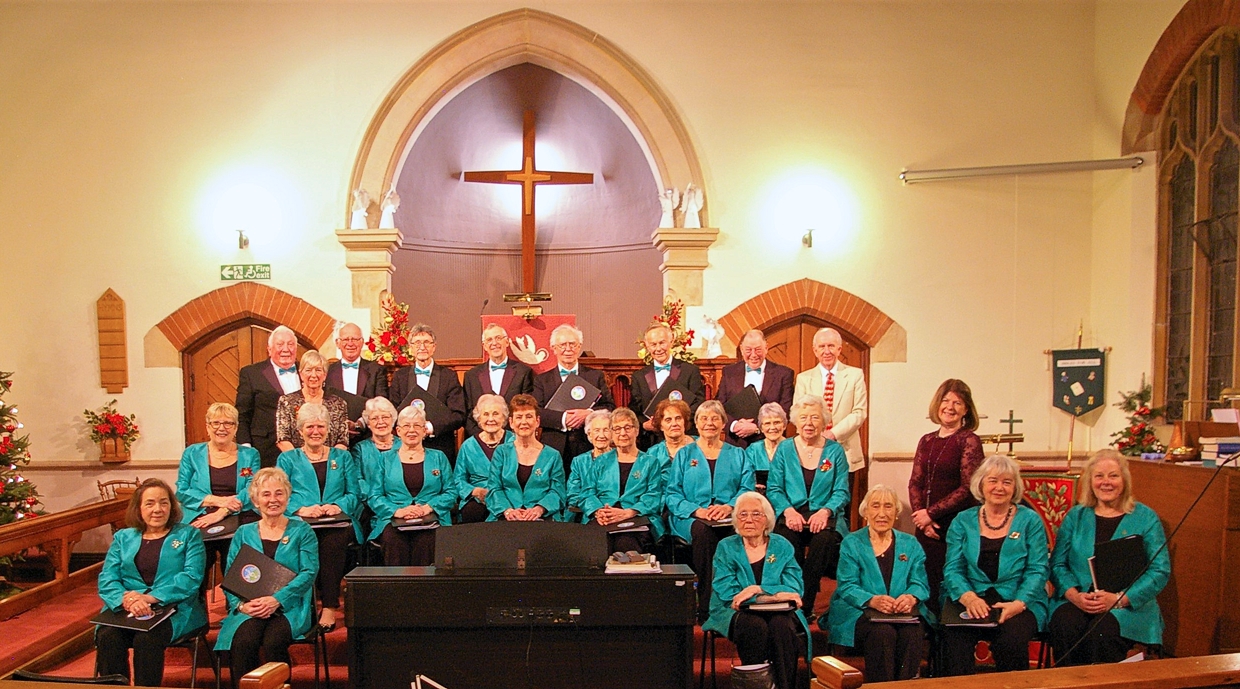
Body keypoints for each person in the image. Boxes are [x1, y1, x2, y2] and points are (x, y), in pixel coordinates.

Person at [1048, 449, 1170, 666]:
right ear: (1090, 481)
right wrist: (1074, 595)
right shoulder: (1075, 516)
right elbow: (1057, 563)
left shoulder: (1146, 518)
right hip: (1078, 599)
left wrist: (1120, 598)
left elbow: (1159, 571)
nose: (1106, 482)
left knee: (1102, 632)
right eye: (1099, 476)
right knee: (1064, 623)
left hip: (1127, 606)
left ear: (1125, 480)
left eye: (1113, 476)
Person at [941, 454, 1049, 675]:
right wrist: (968, 597)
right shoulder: (962, 520)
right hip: (971, 597)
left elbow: (1038, 569)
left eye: (1007, 482)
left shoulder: (1030, 520)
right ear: (981, 484)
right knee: (954, 639)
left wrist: (1019, 603)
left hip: (1018, 600)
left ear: (1015, 487)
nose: (999, 487)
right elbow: (952, 568)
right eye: (993, 480)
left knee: (1010, 640)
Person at [96, 479, 206, 687]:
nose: (157, 509)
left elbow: (191, 577)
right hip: (126, 608)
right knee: (107, 635)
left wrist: (148, 598)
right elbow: (108, 577)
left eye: (164, 503)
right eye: (150, 503)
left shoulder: (188, 534)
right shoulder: (123, 537)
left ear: (172, 507)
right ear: (138, 508)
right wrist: (127, 599)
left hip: (175, 608)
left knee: (146, 638)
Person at [214, 468, 317, 688]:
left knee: (274, 642)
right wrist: (241, 607)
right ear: (255, 500)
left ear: (288, 497)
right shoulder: (243, 532)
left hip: (288, 606)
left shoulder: (302, 530)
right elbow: (231, 576)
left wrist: (276, 600)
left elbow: (308, 572)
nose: (273, 500)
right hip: (249, 606)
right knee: (243, 642)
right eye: (266, 494)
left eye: (279, 493)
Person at [702, 491, 809, 689]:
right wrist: (775, 595)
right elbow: (727, 592)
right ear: (735, 519)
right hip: (731, 611)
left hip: (779, 611)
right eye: (742, 514)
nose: (749, 520)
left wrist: (755, 589)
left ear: (767, 519)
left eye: (756, 514)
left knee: (781, 626)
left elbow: (794, 587)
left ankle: (784, 686)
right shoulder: (726, 547)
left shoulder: (782, 545)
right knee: (755, 626)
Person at [825, 485, 929, 683]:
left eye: (888, 506)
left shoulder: (911, 544)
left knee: (912, 631)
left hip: (902, 613)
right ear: (866, 512)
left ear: (896, 513)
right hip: (859, 610)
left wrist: (910, 597)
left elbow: (920, 582)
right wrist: (872, 600)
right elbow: (847, 585)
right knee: (883, 633)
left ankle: (905, 687)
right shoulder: (851, 542)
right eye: (875, 506)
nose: (882, 513)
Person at [665, 399, 755, 621]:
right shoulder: (685, 454)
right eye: (704, 418)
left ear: (724, 423)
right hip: (692, 518)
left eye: (715, 418)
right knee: (704, 534)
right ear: (696, 424)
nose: (709, 423)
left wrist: (728, 506)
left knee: (739, 533)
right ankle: (707, 606)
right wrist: (698, 511)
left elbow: (747, 488)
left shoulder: (738, 454)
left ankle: (738, 599)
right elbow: (672, 494)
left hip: (729, 515)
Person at [275, 403, 361, 632]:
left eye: (320, 426)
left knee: (332, 543)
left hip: (338, 521)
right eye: (310, 426)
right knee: (304, 542)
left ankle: (330, 606)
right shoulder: (287, 459)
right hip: (301, 521)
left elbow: (354, 493)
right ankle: (302, 607)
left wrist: (337, 505)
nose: (315, 431)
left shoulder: (342, 457)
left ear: (328, 429)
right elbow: (280, 494)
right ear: (300, 430)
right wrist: (301, 510)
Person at [767, 395, 850, 620]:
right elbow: (774, 489)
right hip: (791, 513)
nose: (809, 423)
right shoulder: (784, 449)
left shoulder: (835, 451)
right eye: (803, 418)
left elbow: (842, 491)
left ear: (824, 421)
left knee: (823, 542)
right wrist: (787, 510)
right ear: (795, 421)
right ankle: (792, 599)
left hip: (825, 515)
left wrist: (825, 511)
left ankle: (805, 605)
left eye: (815, 417)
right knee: (784, 540)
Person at [908, 379, 984, 611]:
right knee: (925, 584)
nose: (950, 407)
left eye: (957, 403)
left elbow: (968, 488)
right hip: (925, 526)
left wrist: (931, 514)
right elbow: (915, 482)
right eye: (945, 401)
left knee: (950, 585)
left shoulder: (969, 440)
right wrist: (921, 519)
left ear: (966, 409)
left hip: (954, 525)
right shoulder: (927, 440)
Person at [176, 402, 262, 591]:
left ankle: (235, 611)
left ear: (236, 428)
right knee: (196, 564)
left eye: (228, 423)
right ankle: (196, 615)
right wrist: (218, 500)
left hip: (240, 515)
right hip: (199, 517)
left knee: (237, 559)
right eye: (216, 423)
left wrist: (221, 512)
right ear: (207, 427)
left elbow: (251, 489)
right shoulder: (192, 453)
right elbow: (181, 490)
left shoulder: (250, 454)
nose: (221, 428)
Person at [794, 327, 868, 523]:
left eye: (831, 346)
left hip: (846, 450)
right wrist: (817, 435)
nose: (827, 351)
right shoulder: (804, 378)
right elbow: (798, 413)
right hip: (811, 452)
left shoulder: (854, 375)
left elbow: (859, 412)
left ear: (839, 348)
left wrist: (833, 434)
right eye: (822, 346)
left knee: (842, 510)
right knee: (815, 508)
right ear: (815, 350)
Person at [367, 405, 456, 566]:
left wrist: (428, 508)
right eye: (406, 426)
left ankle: (423, 591)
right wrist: (397, 511)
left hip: (432, 518)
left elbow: (451, 492)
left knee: (427, 541)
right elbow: (375, 496)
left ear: (424, 431)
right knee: (393, 540)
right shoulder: (384, 459)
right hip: (394, 519)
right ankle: (398, 590)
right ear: (398, 431)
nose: (412, 430)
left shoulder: (439, 457)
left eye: (417, 426)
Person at [579, 408, 667, 552]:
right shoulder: (600, 461)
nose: (622, 433)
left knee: (625, 545)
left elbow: (653, 496)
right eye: (617, 429)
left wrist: (628, 512)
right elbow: (587, 492)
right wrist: (598, 511)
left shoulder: (650, 462)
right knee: (595, 544)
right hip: (604, 517)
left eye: (627, 427)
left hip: (637, 517)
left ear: (637, 431)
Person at [532, 324, 615, 473]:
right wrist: (563, 418)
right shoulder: (542, 380)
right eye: (563, 344)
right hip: (554, 445)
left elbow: (609, 407)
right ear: (553, 348)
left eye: (573, 344)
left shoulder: (595, 376)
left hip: (588, 444)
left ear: (579, 347)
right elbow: (536, 412)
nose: (568, 349)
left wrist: (589, 414)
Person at [388, 324, 467, 463]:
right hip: (406, 448)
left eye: (426, 342)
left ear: (434, 347)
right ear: (411, 348)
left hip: (440, 447)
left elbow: (458, 414)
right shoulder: (400, 376)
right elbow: (392, 411)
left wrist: (430, 427)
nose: (422, 347)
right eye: (417, 343)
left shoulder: (448, 376)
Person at [486, 394, 566, 521]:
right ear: (511, 422)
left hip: (543, 517)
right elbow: (494, 488)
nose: (524, 422)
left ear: (537, 421)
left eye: (529, 416)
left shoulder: (553, 455)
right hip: (505, 517)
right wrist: (508, 511)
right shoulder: (501, 452)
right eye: (519, 417)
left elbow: (557, 492)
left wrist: (539, 509)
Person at [629, 323, 705, 450]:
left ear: (671, 342)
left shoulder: (689, 371)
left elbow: (698, 403)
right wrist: (644, 424)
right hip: (651, 441)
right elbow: (635, 409)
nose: (658, 348)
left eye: (662, 343)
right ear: (647, 346)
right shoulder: (639, 376)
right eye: (653, 344)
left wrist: (678, 422)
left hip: (684, 440)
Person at [716, 329, 794, 448]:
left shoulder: (783, 374)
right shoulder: (729, 372)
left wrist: (758, 428)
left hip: (770, 444)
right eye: (748, 350)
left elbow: (785, 410)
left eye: (758, 349)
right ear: (741, 350)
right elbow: (719, 406)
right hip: (735, 443)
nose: (753, 355)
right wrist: (734, 425)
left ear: (766, 348)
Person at [236, 325, 300, 467]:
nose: (285, 349)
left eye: (290, 344)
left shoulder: (307, 372)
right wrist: (245, 449)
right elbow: (242, 414)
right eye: (280, 344)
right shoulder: (252, 373)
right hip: (265, 450)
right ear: (269, 349)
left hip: (302, 450)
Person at [463, 323, 534, 437]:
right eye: (489, 340)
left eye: (498, 338)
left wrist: (507, 437)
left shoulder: (523, 372)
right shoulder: (471, 376)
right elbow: (468, 413)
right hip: (480, 440)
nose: (494, 343)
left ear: (507, 342)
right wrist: (483, 438)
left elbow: (525, 410)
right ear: (484, 346)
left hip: (512, 439)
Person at [325, 322, 389, 447]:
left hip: (369, 438)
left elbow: (382, 403)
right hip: (335, 441)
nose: (350, 343)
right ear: (338, 343)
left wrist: (360, 424)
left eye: (355, 339)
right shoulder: (327, 371)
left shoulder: (376, 370)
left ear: (362, 342)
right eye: (345, 339)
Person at [275, 350, 350, 453]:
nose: (313, 375)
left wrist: (328, 460)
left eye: (318, 370)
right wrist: (301, 461)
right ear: (301, 374)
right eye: (309, 370)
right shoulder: (286, 402)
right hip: (297, 463)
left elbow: (343, 441)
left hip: (330, 463)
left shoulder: (339, 403)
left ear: (324, 375)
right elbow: (283, 439)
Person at [455, 394, 513, 524]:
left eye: (496, 414)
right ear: (478, 419)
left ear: (504, 417)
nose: (490, 419)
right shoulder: (468, 446)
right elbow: (458, 479)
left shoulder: (514, 441)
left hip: (508, 495)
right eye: (486, 414)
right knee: (472, 512)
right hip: (478, 498)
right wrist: (474, 491)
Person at [563, 409, 613, 521]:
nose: (601, 435)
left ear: (612, 433)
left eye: (606, 430)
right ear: (589, 434)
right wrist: (595, 509)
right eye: (596, 430)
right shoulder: (579, 461)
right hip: (585, 514)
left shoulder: (620, 459)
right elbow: (573, 494)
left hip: (613, 513)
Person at [351, 396, 401, 498]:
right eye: (374, 418)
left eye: (385, 417)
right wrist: (378, 500)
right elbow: (357, 480)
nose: (380, 422)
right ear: (368, 423)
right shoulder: (359, 449)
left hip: (401, 502)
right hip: (369, 504)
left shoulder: (404, 445)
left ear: (393, 420)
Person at [745, 402, 787, 490]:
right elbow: (746, 478)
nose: (772, 427)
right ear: (761, 428)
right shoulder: (753, 450)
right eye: (767, 423)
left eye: (777, 422)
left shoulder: (793, 448)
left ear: (784, 425)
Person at [647, 398, 695, 471]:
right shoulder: (653, 453)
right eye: (668, 420)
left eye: (678, 418)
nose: (674, 424)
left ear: (685, 422)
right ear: (661, 426)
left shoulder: (700, 445)